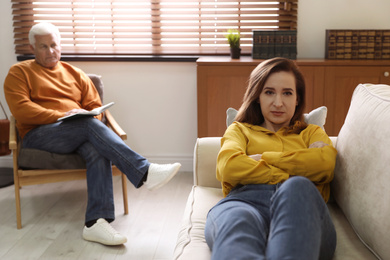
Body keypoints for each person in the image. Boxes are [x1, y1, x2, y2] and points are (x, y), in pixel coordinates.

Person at [3, 22, 181, 246]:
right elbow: (21, 110)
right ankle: (144, 171)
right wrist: (64, 115)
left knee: (95, 146)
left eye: (54, 45)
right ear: (32, 48)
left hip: (76, 132)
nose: (50, 51)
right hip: (38, 135)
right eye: (43, 46)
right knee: (86, 124)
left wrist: (82, 116)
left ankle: (95, 223)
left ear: (60, 45)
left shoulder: (74, 73)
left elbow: (96, 109)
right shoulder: (19, 72)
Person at [204, 57, 338, 260]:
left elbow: (325, 165)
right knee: (237, 218)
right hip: (244, 201)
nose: (278, 103)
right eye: (269, 92)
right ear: (258, 96)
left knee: (297, 186)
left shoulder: (311, 132)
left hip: (300, 208)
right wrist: (299, 164)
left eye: (287, 93)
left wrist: (262, 158)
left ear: (297, 99)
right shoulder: (239, 129)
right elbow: (228, 167)